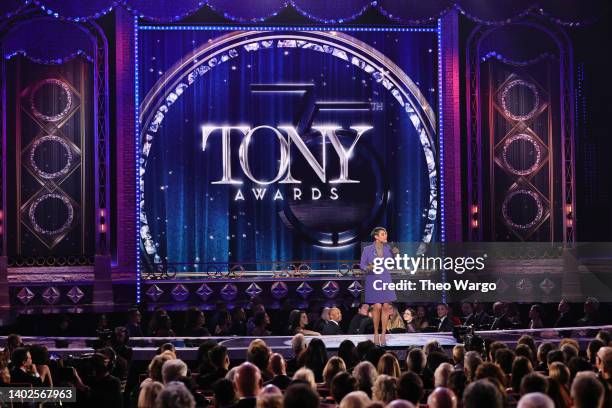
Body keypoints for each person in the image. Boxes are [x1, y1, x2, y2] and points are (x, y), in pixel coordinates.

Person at [359, 227, 397, 346]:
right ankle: (376, 333)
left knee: (386, 306)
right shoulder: (367, 249)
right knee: (377, 306)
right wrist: (369, 268)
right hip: (373, 280)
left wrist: (395, 254)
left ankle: (383, 334)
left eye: (386, 233)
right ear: (376, 237)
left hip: (385, 279)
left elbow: (393, 263)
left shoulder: (388, 248)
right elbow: (362, 265)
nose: (385, 236)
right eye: (382, 234)